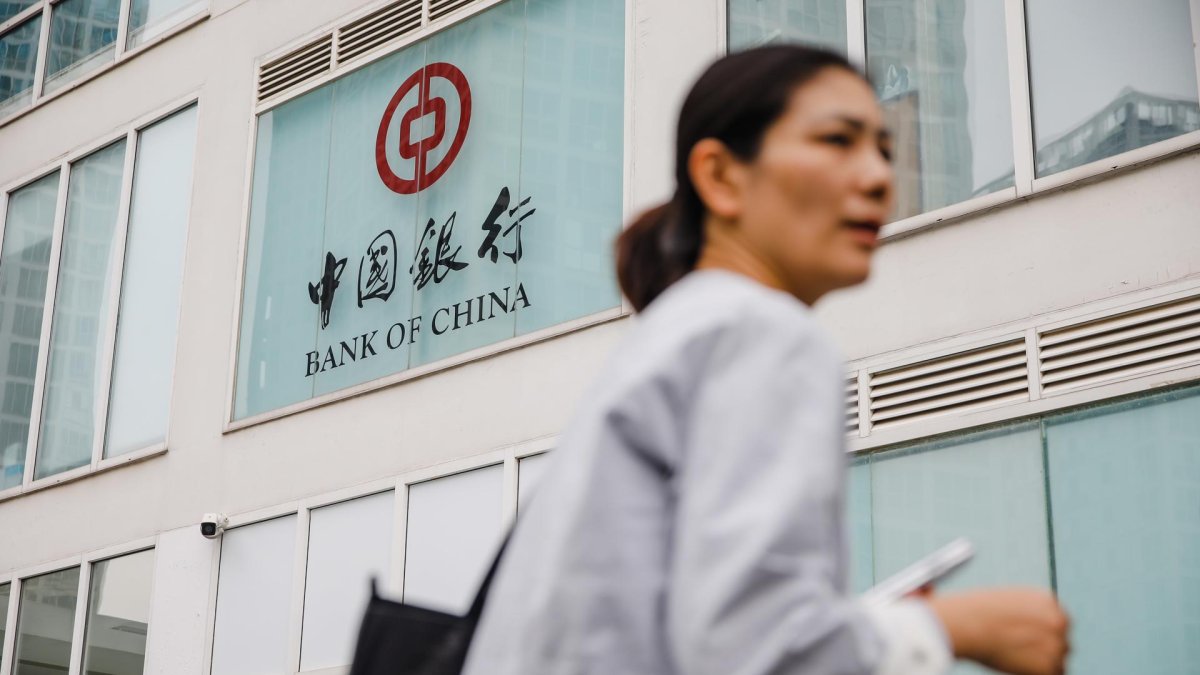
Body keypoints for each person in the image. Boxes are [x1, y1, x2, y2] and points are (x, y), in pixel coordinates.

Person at [462, 45, 1070, 675]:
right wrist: (950, 629)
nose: (878, 176)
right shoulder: (761, 332)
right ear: (721, 177)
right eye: (838, 140)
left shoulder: (676, 337)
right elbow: (753, 652)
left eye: (884, 150)